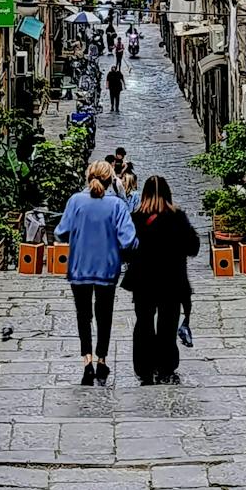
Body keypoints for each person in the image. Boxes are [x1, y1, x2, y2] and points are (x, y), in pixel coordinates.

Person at [55, 161, 136, 386]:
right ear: (111, 180)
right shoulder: (117, 205)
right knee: (104, 315)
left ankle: (87, 362)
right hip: (107, 268)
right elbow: (128, 239)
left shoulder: (75, 201)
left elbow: (60, 233)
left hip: (79, 268)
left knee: (83, 315)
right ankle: (102, 360)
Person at [123, 175, 200, 385]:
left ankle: (144, 368)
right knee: (168, 324)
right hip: (172, 281)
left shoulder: (135, 218)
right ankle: (166, 367)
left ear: (145, 194)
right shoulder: (177, 217)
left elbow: (125, 250)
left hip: (143, 281)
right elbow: (193, 247)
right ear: (168, 193)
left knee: (144, 323)